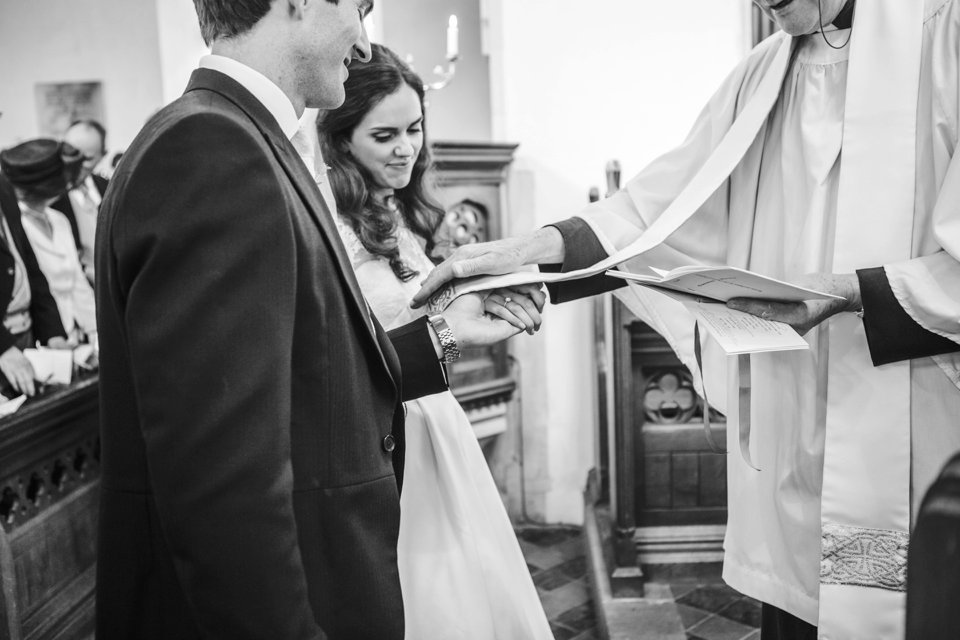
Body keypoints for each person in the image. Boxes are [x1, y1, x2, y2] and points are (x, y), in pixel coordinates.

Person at [413, 0, 960, 637]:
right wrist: (524, 252)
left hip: (915, 426)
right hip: (789, 432)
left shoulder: (946, 34)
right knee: (797, 606)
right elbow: (657, 214)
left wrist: (847, 292)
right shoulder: (767, 69)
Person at [94, 1, 543, 639]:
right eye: (358, 7)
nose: (363, 45)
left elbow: (313, 380)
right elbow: (225, 491)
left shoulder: (240, 137)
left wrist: (447, 331)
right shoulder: (213, 148)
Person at [315, 43, 552, 640]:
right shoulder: (330, 229)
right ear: (342, 140)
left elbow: (419, 308)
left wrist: (482, 292)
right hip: (385, 432)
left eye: (414, 129)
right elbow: (342, 349)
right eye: (385, 135)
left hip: (436, 419)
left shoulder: (398, 210)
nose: (406, 148)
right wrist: (446, 326)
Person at [5, 139, 98, 344]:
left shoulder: (59, 220)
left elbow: (78, 282)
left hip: (75, 332)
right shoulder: (16, 225)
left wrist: (96, 331)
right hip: (42, 334)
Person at [0, 159, 69, 397]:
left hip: (26, 338)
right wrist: (3, 348)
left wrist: (52, 332)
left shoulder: (3, 185)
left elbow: (28, 263)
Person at [53, 119, 109, 284]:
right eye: (71, 154)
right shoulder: (53, 197)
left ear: (102, 155)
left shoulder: (110, 188)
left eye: (86, 158)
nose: (75, 165)